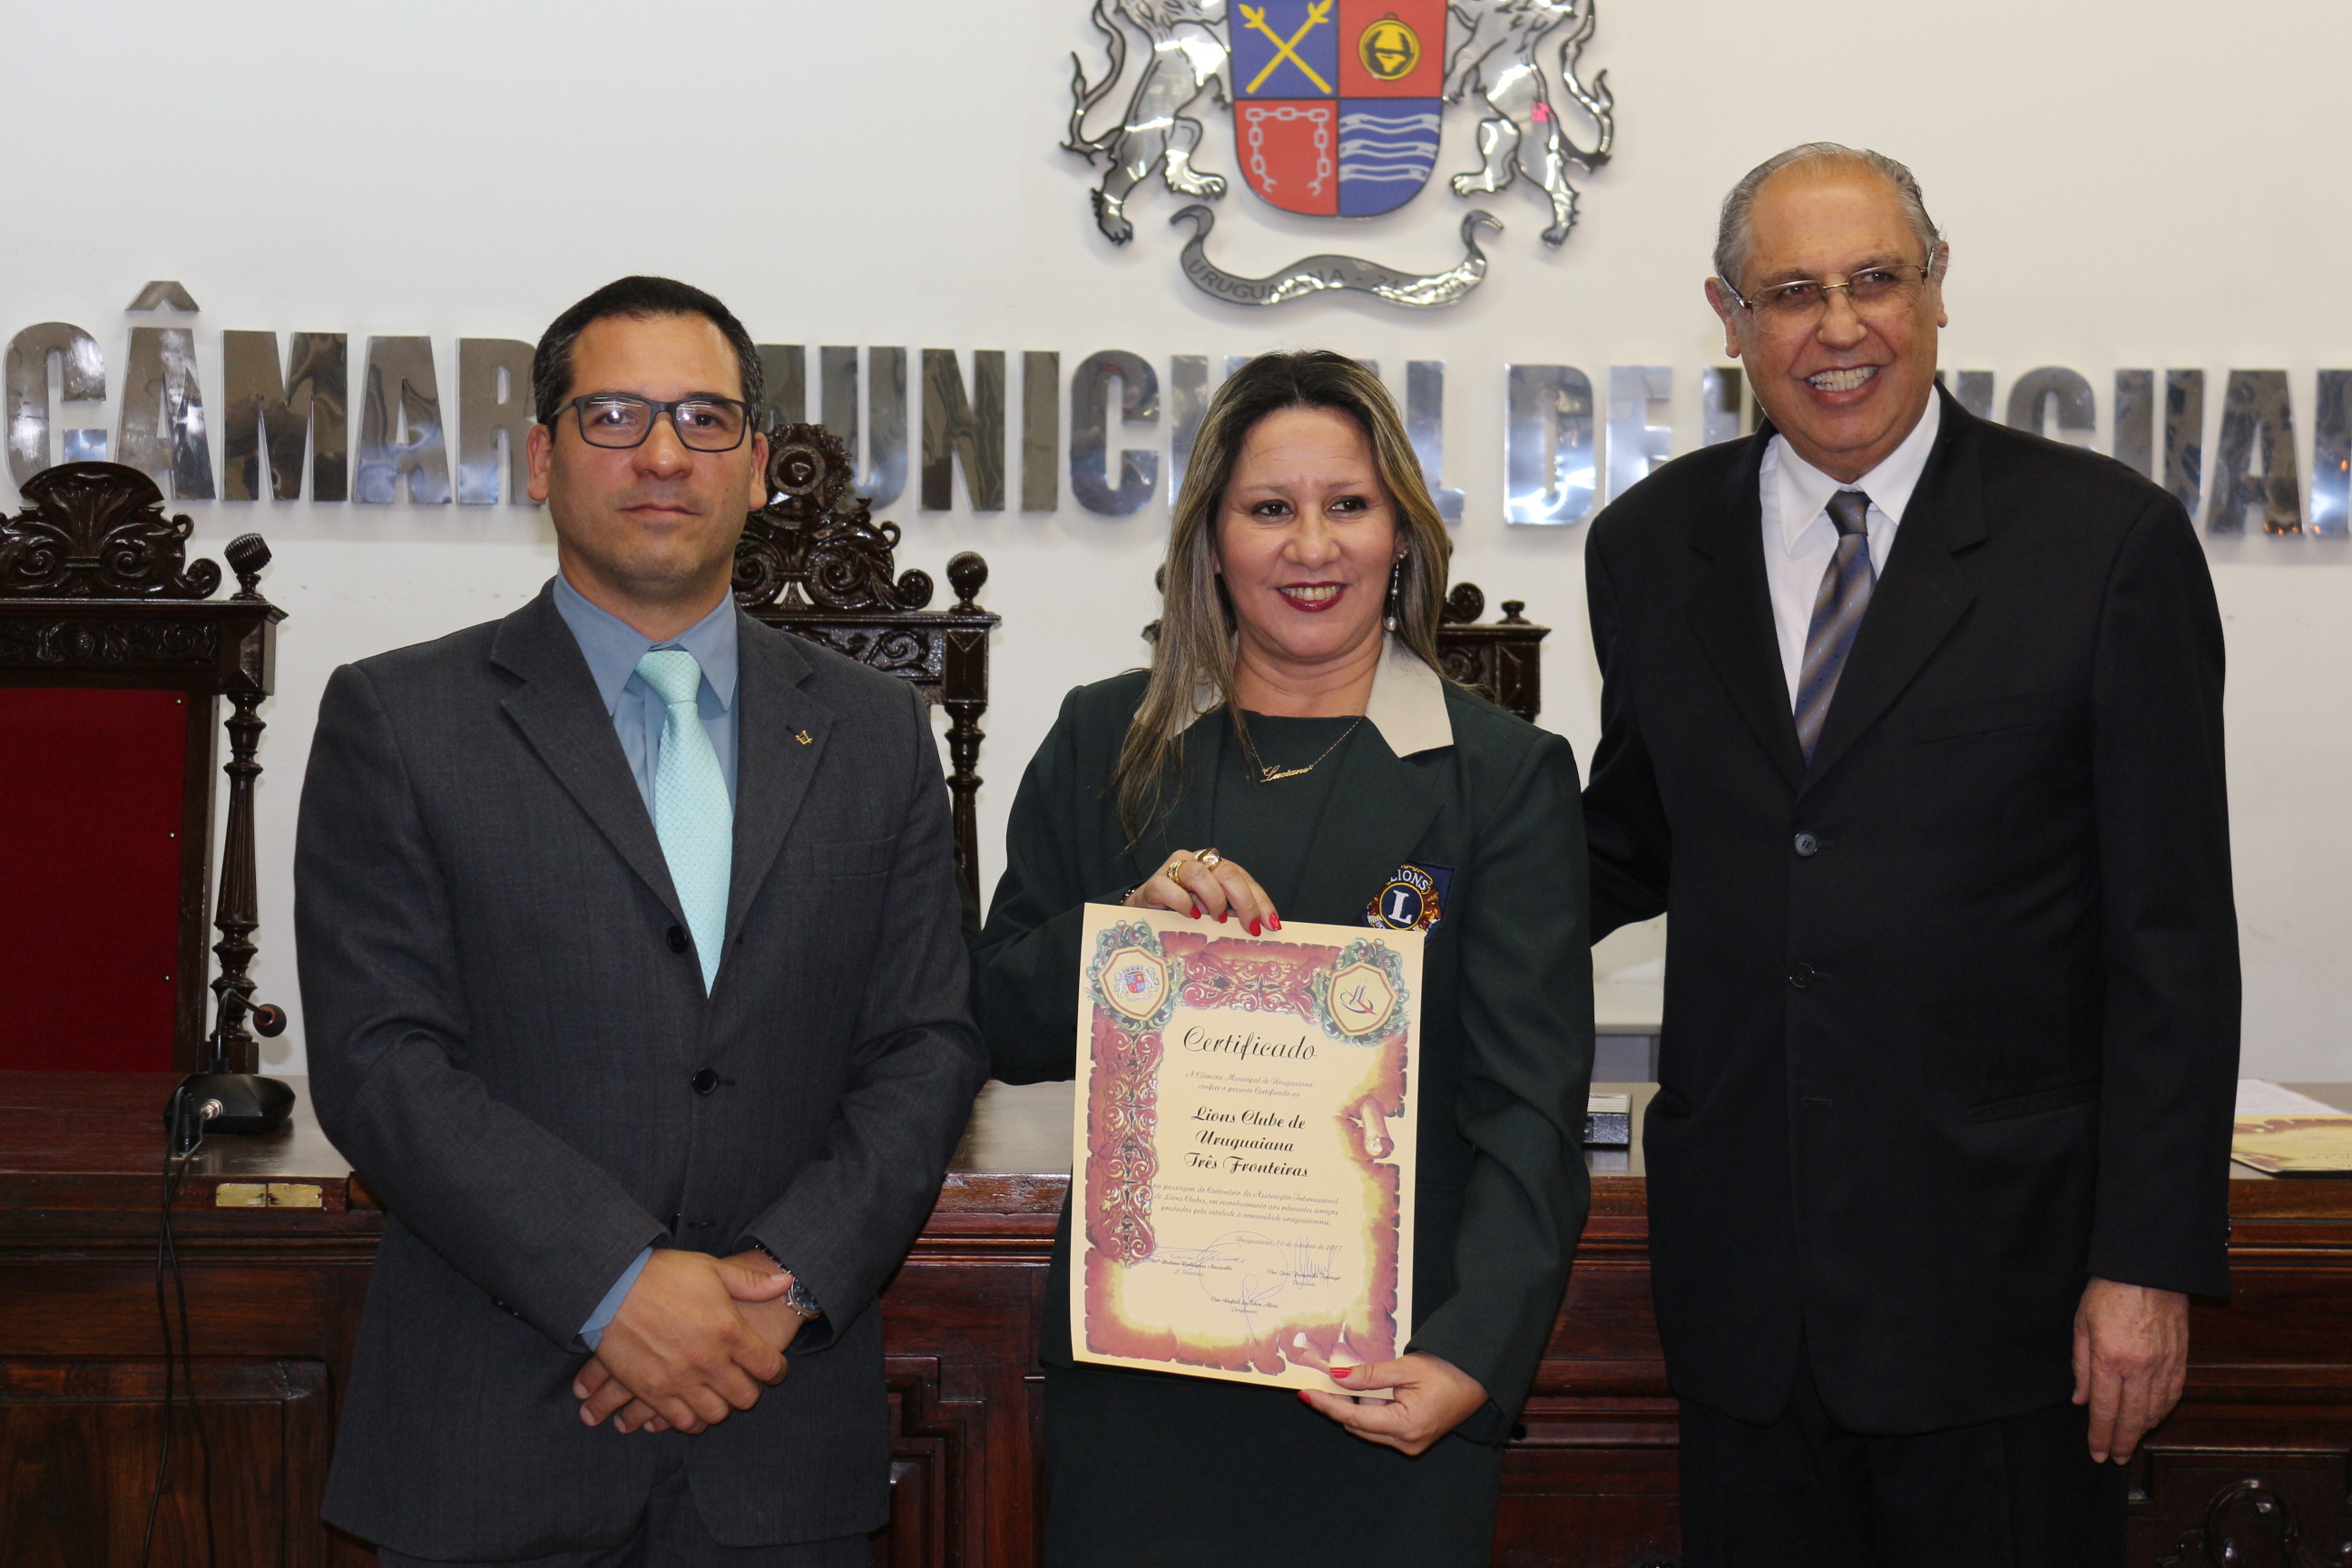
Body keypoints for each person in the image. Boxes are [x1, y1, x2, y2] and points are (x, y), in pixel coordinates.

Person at [1581, 144, 2240, 1564]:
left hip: (2006, 1302)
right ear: (1729, 317)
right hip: (1747, 1300)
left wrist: (2147, 1263)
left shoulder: (2105, 544)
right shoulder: (1648, 547)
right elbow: (1628, 838)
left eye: (1876, 279)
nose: (1840, 327)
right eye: (1791, 292)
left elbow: (2174, 938)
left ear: (1938, 290)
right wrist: (1375, 913)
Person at [296, 275, 986, 1567]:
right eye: (614, 415)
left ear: (758, 467)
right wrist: (615, 1285)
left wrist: (775, 1291)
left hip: (779, 1441)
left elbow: (927, 1044)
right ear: (540, 457)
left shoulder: (875, 731)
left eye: (704, 419)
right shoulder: (401, 719)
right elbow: (382, 1060)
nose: (663, 454)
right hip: (493, 1442)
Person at [972, 350, 1594, 1567]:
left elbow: (1528, 1108)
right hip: (1146, 1378)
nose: (1313, 545)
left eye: (1348, 505)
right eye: (1269, 508)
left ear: (1400, 534)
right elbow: (996, 1019)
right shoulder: (1105, 739)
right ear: (1211, 541)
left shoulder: (1502, 776)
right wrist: (1121, 938)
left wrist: (1474, 1352)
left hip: (1388, 1379)